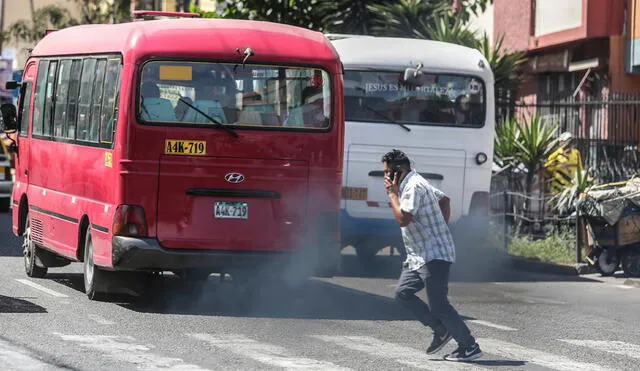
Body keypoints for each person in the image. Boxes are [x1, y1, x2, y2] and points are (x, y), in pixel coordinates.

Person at [382, 149, 483, 362]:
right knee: (403, 293)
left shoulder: (413, 187)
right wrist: (438, 228)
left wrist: (392, 194)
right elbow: (445, 200)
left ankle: (469, 346)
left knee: (439, 304)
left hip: (433, 254)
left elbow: (403, 219)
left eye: (387, 173)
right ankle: (440, 329)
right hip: (418, 255)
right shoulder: (416, 181)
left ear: (398, 172)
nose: (386, 179)